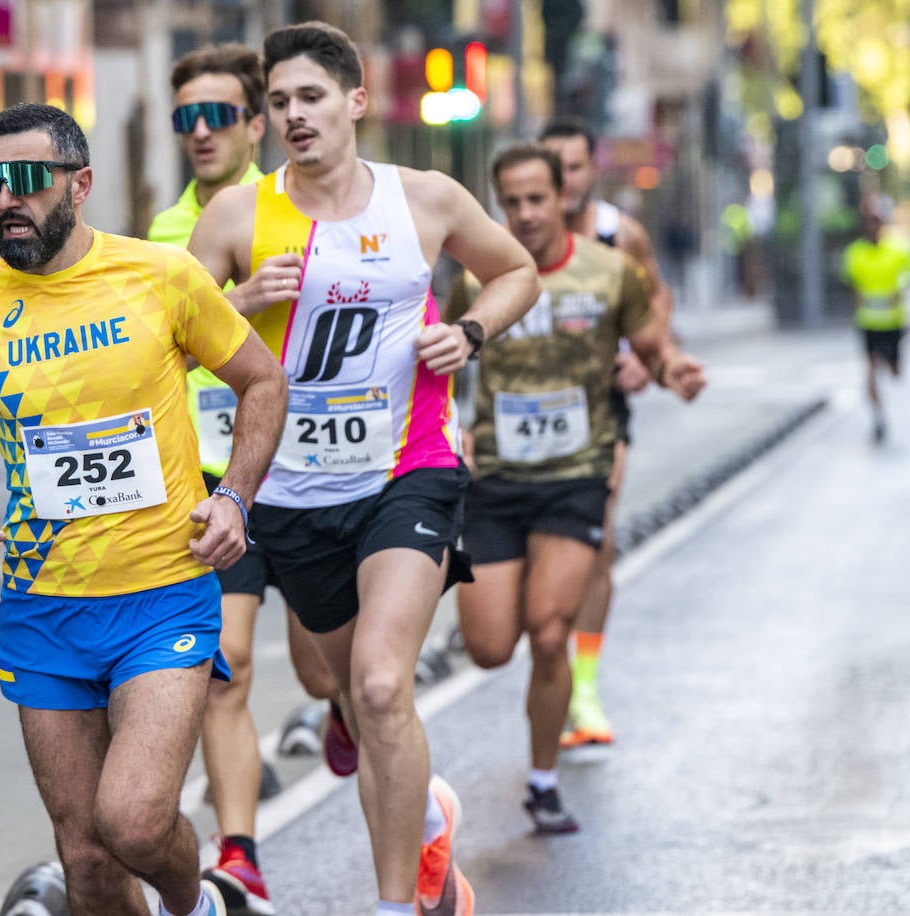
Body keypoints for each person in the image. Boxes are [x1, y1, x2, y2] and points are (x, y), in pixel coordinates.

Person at [0, 103, 287, 916]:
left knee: (135, 823)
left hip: (162, 592)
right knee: (86, 859)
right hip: (44, 609)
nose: (7, 199)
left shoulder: (162, 277)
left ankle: (201, 905)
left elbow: (263, 381)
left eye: (26, 181)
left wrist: (235, 500)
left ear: (79, 183)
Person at [189, 23, 540, 916]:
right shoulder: (237, 215)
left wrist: (467, 333)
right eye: (278, 103)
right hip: (294, 497)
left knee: (384, 685)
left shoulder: (422, 199)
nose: (293, 115)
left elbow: (518, 271)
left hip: (408, 474)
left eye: (310, 97)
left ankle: (395, 906)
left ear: (354, 101)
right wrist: (238, 302)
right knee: (346, 691)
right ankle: (424, 814)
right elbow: (169, 341)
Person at [453, 145, 705, 834]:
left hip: (576, 475)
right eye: (513, 201)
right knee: (489, 647)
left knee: (548, 632)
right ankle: (541, 750)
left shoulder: (609, 271)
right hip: (497, 480)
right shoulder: (478, 280)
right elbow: (436, 360)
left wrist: (672, 367)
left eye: (539, 198)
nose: (527, 213)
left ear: (563, 195)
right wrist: (448, 428)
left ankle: (542, 779)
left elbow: (649, 344)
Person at [147, 43, 324, 916]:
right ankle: (241, 850)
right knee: (230, 667)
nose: (203, 131)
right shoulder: (162, 241)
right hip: (222, 475)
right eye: (188, 117)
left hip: (328, 475)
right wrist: (233, 306)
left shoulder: (310, 208)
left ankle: (342, 716)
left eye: (221, 114)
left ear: (258, 123)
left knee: (333, 674)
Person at [538, 119, 675, 748]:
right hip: (528, 411)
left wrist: (647, 359)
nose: (563, 181)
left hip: (604, 403)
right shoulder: (516, 236)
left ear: (592, 169)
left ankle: (584, 688)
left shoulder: (624, 235)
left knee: (598, 537)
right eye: (552, 167)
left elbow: (656, 298)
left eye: (573, 166)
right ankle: (550, 667)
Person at [842, 194, 910, 444]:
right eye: (868, 221)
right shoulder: (855, 253)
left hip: (894, 323)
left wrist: (901, 294)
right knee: (870, 371)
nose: (872, 226)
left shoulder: (898, 250)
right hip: (868, 323)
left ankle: (890, 365)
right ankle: (879, 419)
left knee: (895, 372)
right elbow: (852, 287)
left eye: (876, 221)